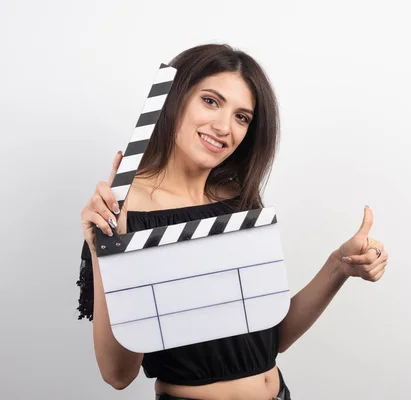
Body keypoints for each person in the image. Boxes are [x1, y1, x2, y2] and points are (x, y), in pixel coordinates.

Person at [76, 43, 388, 400]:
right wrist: (110, 247)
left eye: (242, 117)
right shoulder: (120, 210)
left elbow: (273, 338)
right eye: (210, 101)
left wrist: (339, 265)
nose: (224, 127)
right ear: (175, 98)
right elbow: (118, 374)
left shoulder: (239, 200)